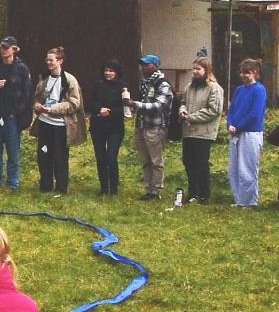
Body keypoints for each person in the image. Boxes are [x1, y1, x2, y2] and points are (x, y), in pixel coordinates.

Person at [0, 37, 33, 189]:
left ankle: (13, 183)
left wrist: (16, 113)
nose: (3, 49)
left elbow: (27, 94)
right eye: (2, 46)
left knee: (13, 153)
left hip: (12, 118)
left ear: (14, 49)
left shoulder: (22, 68)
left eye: (7, 47)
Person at [33, 48, 83, 196]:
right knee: (43, 154)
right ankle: (45, 185)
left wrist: (53, 109)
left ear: (60, 61)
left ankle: (61, 188)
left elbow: (74, 104)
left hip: (60, 126)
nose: (48, 62)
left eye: (51, 60)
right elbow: (37, 97)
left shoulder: (69, 80)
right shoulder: (44, 79)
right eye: (47, 60)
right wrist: (37, 106)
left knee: (59, 157)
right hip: (44, 123)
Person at [177, 58, 225, 205]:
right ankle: (193, 192)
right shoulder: (189, 87)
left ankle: (203, 194)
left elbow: (214, 110)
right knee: (188, 162)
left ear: (206, 71)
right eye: (194, 69)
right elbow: (183, 103)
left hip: (204, 132)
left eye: (199, 69)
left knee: (200, 163)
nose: (195, 72)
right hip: (189, 131)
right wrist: (182, 112)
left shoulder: (214, 88)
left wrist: (192, 117)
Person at [131, 55, 174, 200]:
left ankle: (156, 191)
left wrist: (136, 105)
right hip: (142, 125)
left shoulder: (162, 83)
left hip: (155, 127)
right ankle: (148, 189)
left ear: (155, 66)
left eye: (147, 65)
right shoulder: (144, 82)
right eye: (142, 65)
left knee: (156, 160)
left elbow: (159, 106)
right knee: (145, 160)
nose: (143, 68)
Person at [226, 58, 268, 207]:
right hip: (235, 133)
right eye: (241, 72)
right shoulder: (239, 90)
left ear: (254, 73)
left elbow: (255, 114)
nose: (243, 75)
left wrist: (238, 126)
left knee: (248, 168)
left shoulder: (259, 90)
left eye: (247, 73)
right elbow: (231, 110)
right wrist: (230, 124)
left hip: (250, 133)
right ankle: (239, 200)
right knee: (234, 169)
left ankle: (250, 201)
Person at [87, 60, 129, 195]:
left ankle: (114, 187)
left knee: (111, 156)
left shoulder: (123, 87)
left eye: (111, 71)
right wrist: (99, 109)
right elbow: (89, 103)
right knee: (100, 158)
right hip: (98, 127)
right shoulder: (97, 85)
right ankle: (104, 187)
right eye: (106, 70)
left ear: (116, 72)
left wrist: (109, 111)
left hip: (115, 128)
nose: (108, 73)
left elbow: (125, 107)